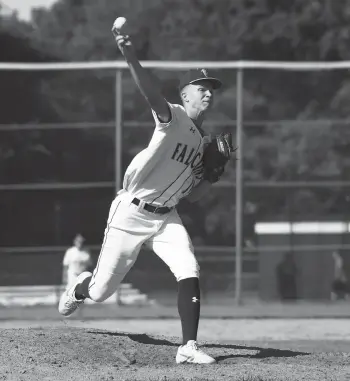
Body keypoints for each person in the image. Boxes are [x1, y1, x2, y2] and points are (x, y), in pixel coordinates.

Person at [58, 18, 228, 365]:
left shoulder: (204, 144)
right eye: (201, 86)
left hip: (166, 218)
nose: (208, 90)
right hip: (131, 212)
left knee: (189, 269)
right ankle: (79, 288)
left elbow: (192, 197)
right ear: (185, 94)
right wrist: (129, 54)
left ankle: (188, 346)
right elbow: (149, 91)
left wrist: (214, 175)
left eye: (211, 87)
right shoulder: (174, 116)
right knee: (101, 292)